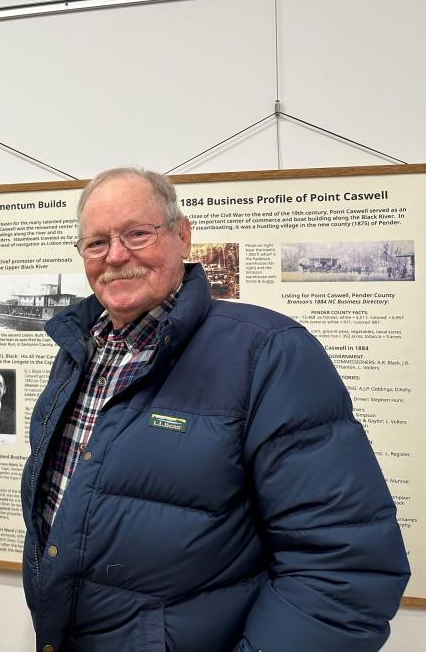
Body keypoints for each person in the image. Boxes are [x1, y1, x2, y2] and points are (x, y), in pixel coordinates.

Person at [21, 167, 409, 652]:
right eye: (97, 242)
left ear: (182, 236)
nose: (116, 255)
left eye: (137, 234)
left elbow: (344, 569)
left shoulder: (268, 353)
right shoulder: (82, 349)